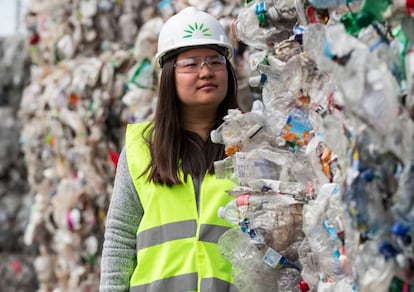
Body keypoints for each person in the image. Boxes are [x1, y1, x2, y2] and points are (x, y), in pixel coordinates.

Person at [99, 6, 240, 292]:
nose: (205, 72)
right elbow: (121, 238)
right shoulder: (141, 147)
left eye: (215, 61)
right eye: (190, 64)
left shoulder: (253, 144)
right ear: (168, 76)